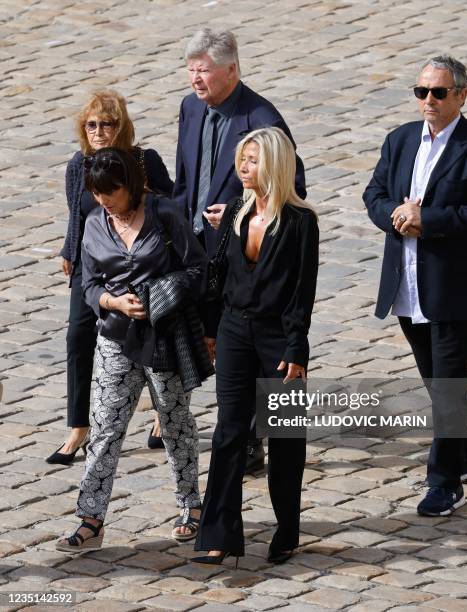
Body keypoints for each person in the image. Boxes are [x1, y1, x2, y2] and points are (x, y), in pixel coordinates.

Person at [363, 55, 467, 517]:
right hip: (407, 286)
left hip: (456, 291)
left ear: (461, 95)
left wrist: (429, 218)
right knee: (436, 381)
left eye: (438, 93)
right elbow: (374, 194)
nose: (428, 100)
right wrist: (395, 215)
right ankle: (464, 454)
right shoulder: (399, 140)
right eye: (421, 91)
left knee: (447, 383)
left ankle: (443, 482)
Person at [56, 148, 208, 552]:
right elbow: (88, 286)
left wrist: (162, 293)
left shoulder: (166, 214)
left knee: (175, 424)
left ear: (131, 186)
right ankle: (91, 519)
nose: (105, 200)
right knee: (105, 429)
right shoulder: (92, 225)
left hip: (163, 338)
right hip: (116, 339)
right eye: (98, 192)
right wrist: (113, 302)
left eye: (113, 192)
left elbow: (198, 268)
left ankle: (191, 507)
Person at [173, 27, 307, 473]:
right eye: (191, 71)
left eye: (204, 71)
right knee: (208, 342)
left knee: (243, 346)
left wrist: (237, 213)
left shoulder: (262, 118)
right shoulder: (191, 107)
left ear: (231, 70)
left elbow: (291, 189)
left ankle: (251, 438)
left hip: (242, 258)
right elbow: (185, 180)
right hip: (195, 249)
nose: (196, 80)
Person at [192, 127, 319, 566]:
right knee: (228, 431)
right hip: (233, 332)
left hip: (277, 339)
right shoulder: (234, 216)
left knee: (284, 437)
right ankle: (219, 535)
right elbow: (217, 278)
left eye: (253, 160)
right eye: (241, 160)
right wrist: (210, 331)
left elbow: (303, 293)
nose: (244, 169)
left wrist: (296, 349)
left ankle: (287, 530)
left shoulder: (302, 222)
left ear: (275, 165)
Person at [47, 90, 174, 466]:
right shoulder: (78, 164)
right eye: (91, 125)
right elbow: (77, 214)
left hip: (139, 264)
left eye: (107, 124)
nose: (99, 131)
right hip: (93, 265)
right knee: (77, 337)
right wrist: (69, 250)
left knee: (148, 338)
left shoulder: (143, 160)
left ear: (122, 127)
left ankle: (162, 415)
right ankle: (78, 427)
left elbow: (171, 207)